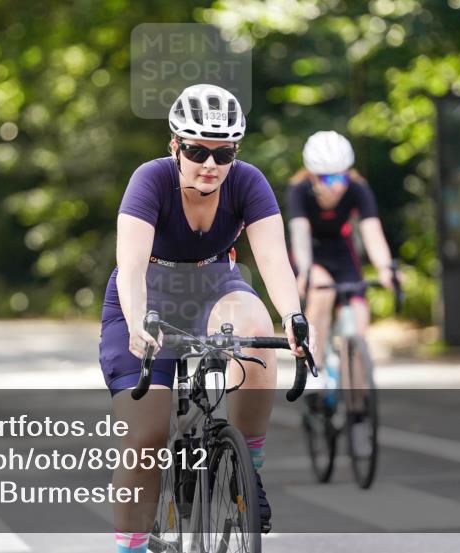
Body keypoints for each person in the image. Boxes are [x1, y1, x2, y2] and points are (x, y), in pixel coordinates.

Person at [98, 84, 313, 550]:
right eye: (197, 151)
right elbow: (132, 265)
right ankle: (130, 546)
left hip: (214, 284)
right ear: (175, 146)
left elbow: (274, 259)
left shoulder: (248, 181)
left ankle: (247, 471)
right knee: (146, 438)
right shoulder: (150, 180)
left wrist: (294, 317)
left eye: (224, 153)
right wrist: (138, 324)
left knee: (256, 334)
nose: (211, 164)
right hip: (147, 294)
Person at [286, 131, 394, 449]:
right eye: (327, 177)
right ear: (312, 174)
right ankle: (315, 368)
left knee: (358, 324)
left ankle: (359, 415)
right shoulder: (300, 190)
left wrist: (387, 268)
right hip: (314, 256)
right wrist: (303, 271)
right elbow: (300, 235)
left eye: (341, 175)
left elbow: (372, 231)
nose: (335, 184)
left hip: (343, 256)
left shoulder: (358, 188)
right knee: (321, 293)